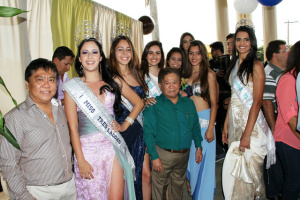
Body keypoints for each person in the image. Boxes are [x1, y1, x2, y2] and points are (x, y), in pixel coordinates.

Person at [63, 37, 144, 199]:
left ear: (101, 57)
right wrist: (80, 159)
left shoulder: (113, 81)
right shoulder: (72, 87)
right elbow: (72, 128)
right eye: (85, 53)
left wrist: (124, 125)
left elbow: (139, 103)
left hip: (111, 147)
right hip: (87, 151)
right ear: (79, 58)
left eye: (94, 52)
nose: (90, 56)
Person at [0, 58, 76, 199]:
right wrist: (23, 196)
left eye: (52, 80)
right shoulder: (15, 118)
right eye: (40, 80)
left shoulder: (59, 110)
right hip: (38, 192)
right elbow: (8, 164)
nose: (47, 85)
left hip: (69, 188)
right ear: (27, 85)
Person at [222, 25, 276, 200]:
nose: (242, 43)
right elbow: (233, 97)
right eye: (238, 39)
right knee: (235, 173)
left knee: (250, 173)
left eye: (246, 39)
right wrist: (225, 125)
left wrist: (246, 134)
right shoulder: (234, 64)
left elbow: (257, 101)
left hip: (251, 126)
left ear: (252, 42)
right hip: (234, 122)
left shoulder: (256, 65)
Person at [143, 67, 203, 200]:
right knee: (160, 191)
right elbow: (148, 133)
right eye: (167, 83)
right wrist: (154, 157)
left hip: (183, 155)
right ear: (160, 85)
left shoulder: (188, 103)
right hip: (163, 155)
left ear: (180, 83)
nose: (171, 86)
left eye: (175, 82)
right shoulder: (153, 105)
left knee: (178, 188)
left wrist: (198, 147)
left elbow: (195, 126)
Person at [108, 35, 151, 200]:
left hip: (139, 129)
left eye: (128, 49)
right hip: (122, 130)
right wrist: (125, 125)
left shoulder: (137, 73)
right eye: (120, 49)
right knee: (127, 176)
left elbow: (139, 100)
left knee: (145, 175)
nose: (125, 53)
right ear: (113, 53)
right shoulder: (111, 77)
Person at [182, 40, 217, 199]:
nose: (194, 56)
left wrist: (211, 127)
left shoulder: (208, 74)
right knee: (192, 165)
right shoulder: (185, 74)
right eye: (191, 53)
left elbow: (215, 103)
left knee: (203, 165)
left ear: (203, 54)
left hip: (204, 124)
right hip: (189, 124)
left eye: (197, 53)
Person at [262, 40, 289, 200]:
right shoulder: (269, 72)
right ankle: (274, 193)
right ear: (275, 55)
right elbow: (267, 102)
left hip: (281, 120)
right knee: (274, 160)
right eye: (285, 50)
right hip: (275, 120)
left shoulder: (280, 71)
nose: (288, 53)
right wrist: (274, 128)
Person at [274, 41, 300, 200]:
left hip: (295, 139)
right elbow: (290, 117)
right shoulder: (288, 79)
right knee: (294, 181)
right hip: (288, 140)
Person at [209, 41, 231, 153]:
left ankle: (228, 148)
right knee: (216, 125)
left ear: (218, 50)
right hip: (216, 98)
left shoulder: (229, 61)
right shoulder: (210, 64)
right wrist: (214, 74)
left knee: (227, 123)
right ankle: (218, 148)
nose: (211, 53)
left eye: (212, 51)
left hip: (228, 96)